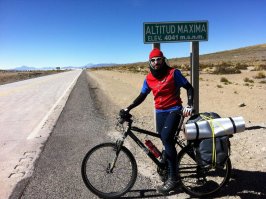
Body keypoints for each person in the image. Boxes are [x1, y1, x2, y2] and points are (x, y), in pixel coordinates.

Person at [120, 48, 194, 194]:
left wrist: (190, 105)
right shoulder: (149, 78)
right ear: (150, 62)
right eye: (153, 60)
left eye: (158, 59)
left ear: (163, 59)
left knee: (166, 137)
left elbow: (189, 88)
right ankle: (167, 167)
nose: (156, 62)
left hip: (174, 110)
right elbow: (142, 96)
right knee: (164, 139)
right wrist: (128, 108)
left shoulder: (173, 73)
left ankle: (174, 180)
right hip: (160, 112)